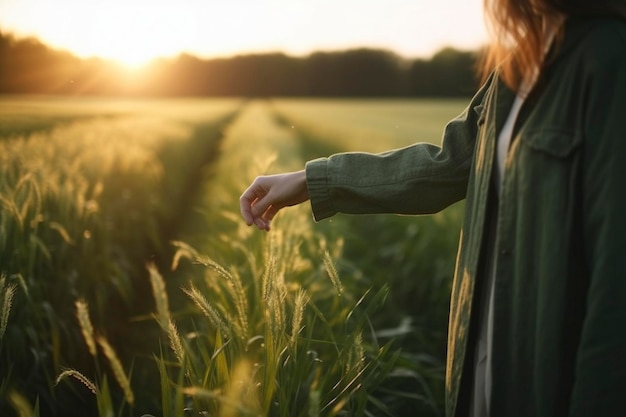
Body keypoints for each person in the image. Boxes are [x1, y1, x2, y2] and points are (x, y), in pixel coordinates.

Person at [240, 0, 626, 416]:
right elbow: (444, 166)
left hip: (548, 381)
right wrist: (313, 181)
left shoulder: (609, 59)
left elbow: (616, 286)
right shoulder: (520, 67)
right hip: (484, 367)